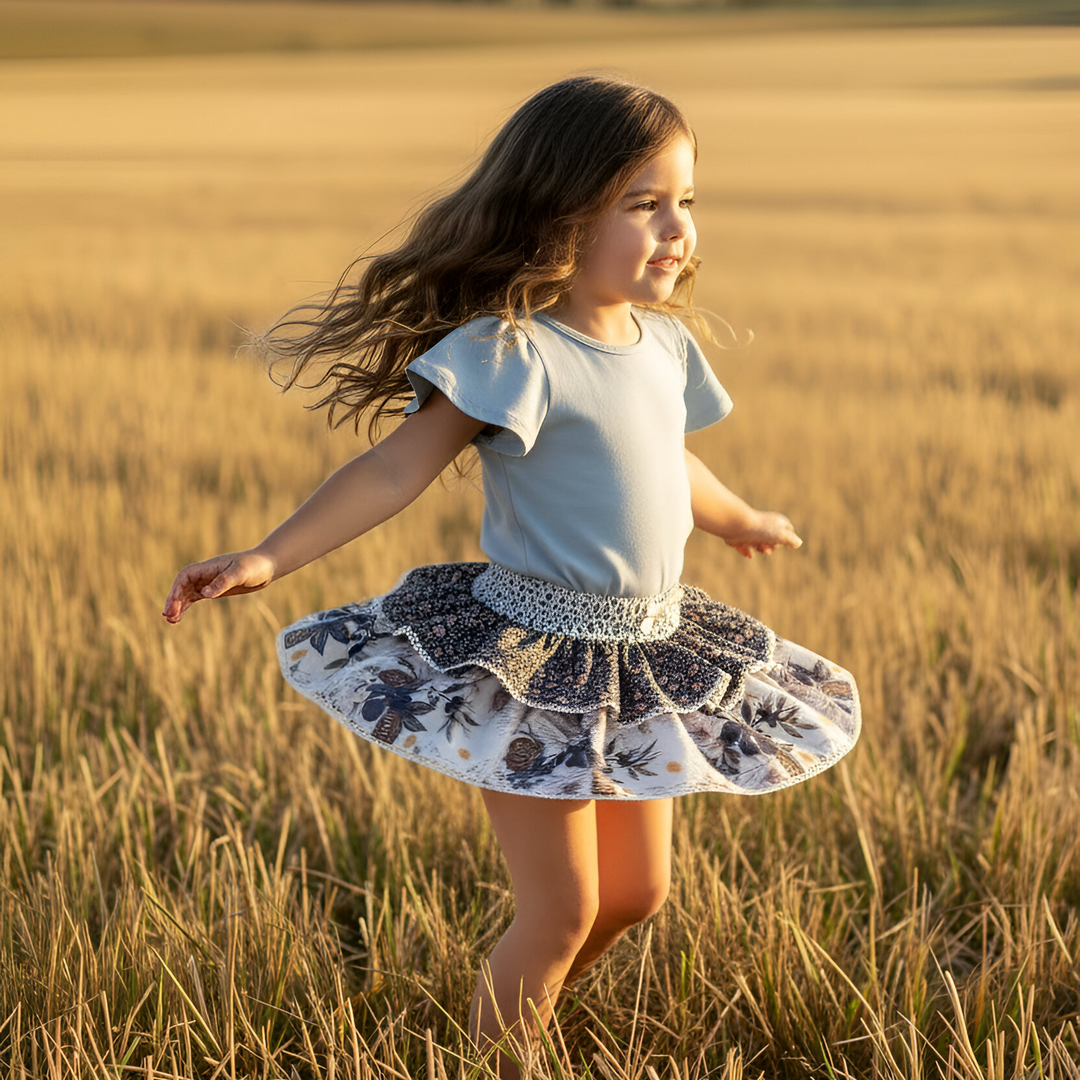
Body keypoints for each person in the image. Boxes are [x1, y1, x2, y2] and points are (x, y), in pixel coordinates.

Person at [163, 76, 860, 1076]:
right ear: (562, 216)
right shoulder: (513, 353)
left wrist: (738, 517)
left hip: (641, 658)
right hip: (535, 662)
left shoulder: (661, 346)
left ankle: (509, 1019)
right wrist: (270, 555)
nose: (677, 230)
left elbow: (669, 460)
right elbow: (395, 467)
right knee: (563, 907)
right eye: (644, 204)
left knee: (634, 899)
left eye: (687, 203)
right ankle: (506, 1052)